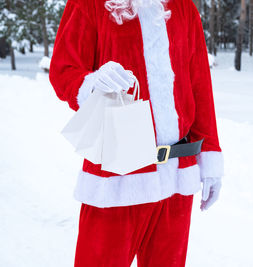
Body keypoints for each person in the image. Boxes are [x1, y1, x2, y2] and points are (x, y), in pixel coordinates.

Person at [49, 0, 224, 266]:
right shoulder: (89, 4)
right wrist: (91, 83)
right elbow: (63, 69)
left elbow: (199, 81)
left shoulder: (183, 6)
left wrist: (210, 155)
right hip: (116, 174)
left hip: (177, 174)